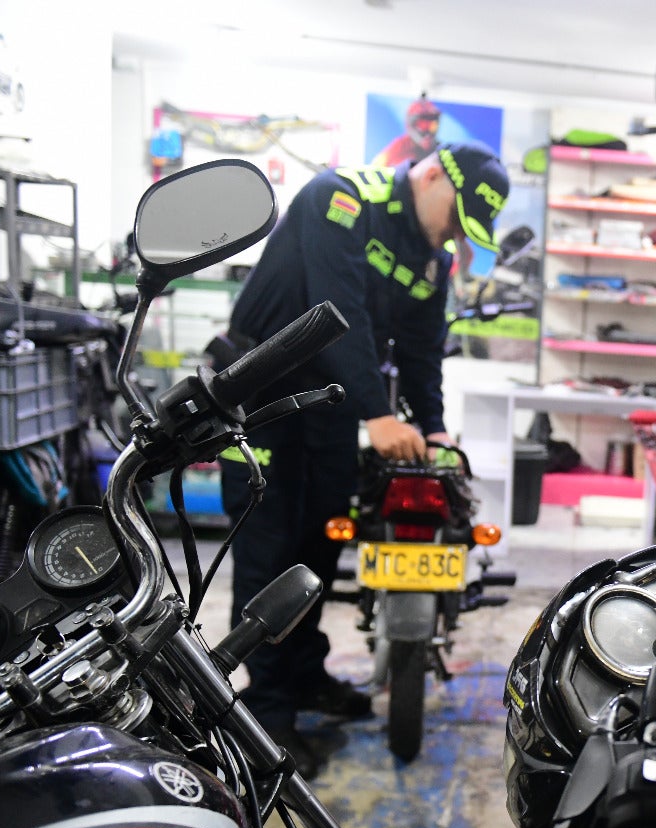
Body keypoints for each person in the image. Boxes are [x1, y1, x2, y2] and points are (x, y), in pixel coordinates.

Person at [215, 142, 509, 774]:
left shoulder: (433, 259)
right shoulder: (340, 199)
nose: (455, 235)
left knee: (320, 546)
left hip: (330, 403)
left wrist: (434, 430)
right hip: (262, 396)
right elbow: (337, 309)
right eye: (456, 217)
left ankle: (304, 676)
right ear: (432, 175)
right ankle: (264, 720)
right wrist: (379, 415)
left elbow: (423, 349)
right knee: (269, 553)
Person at [373, 94, 443, 167]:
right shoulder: (399, 148)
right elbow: (376, 166)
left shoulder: (441, 150)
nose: (428, 134)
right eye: (423, 125)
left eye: (433, 125)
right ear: (411, 124)